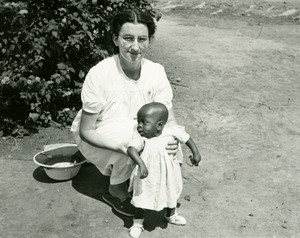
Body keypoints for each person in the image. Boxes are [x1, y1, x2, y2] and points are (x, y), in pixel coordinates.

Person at [70, 8, 180, 217]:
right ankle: (115, 191)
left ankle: (152, 191)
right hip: (102, 132)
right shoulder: (100, 73)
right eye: (128, 38)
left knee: (171, 147)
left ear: (150, 40)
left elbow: (169, 118)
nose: (135, 47)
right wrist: (120, 147)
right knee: (130, 141)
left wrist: (173, 138)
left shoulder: (156, 72)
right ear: (115, 39)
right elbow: (87, 130)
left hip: (140, 130)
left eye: (142, 39)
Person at [126, 102, 201, 238]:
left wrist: (196, 153)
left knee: (170, 191)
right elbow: (131, 149)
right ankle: (138, 221)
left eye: (144, 122)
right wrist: (141, 164)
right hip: (147, 175)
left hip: (168, 174)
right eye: (138, 122)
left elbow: (187, 138)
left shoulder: (171, 132)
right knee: (141, 195)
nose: (139, 126)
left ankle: (170, 214)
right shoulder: (142, 139)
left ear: (159, 125)